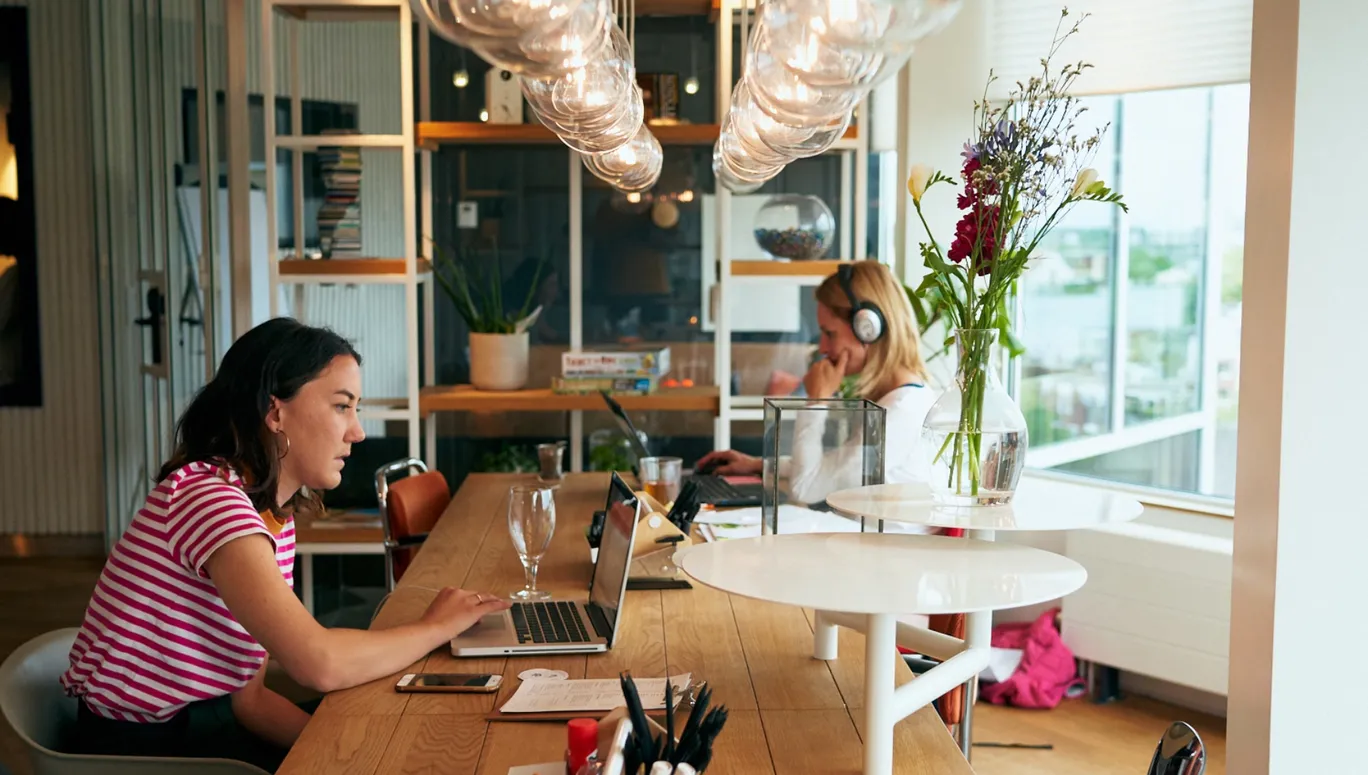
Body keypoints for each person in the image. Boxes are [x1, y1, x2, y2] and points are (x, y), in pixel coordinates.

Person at [60, 318, 510, 771]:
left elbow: (248, 700)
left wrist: (353, 758)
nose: (357, 432)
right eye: (341, 407)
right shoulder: (211, 499)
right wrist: (436, 626)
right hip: (143, 754)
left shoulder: (271, 513)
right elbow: (320, 665)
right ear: (275, 413)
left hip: (205, 728)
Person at [695, 262, 937, 521]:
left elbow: (807, 488)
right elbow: (831, 470)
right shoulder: (898, 398)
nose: (823, 347)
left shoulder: (901, 411)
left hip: (886, 557)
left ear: (868, 329)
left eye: (829, 333)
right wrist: (758, 466)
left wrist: (816, 402)